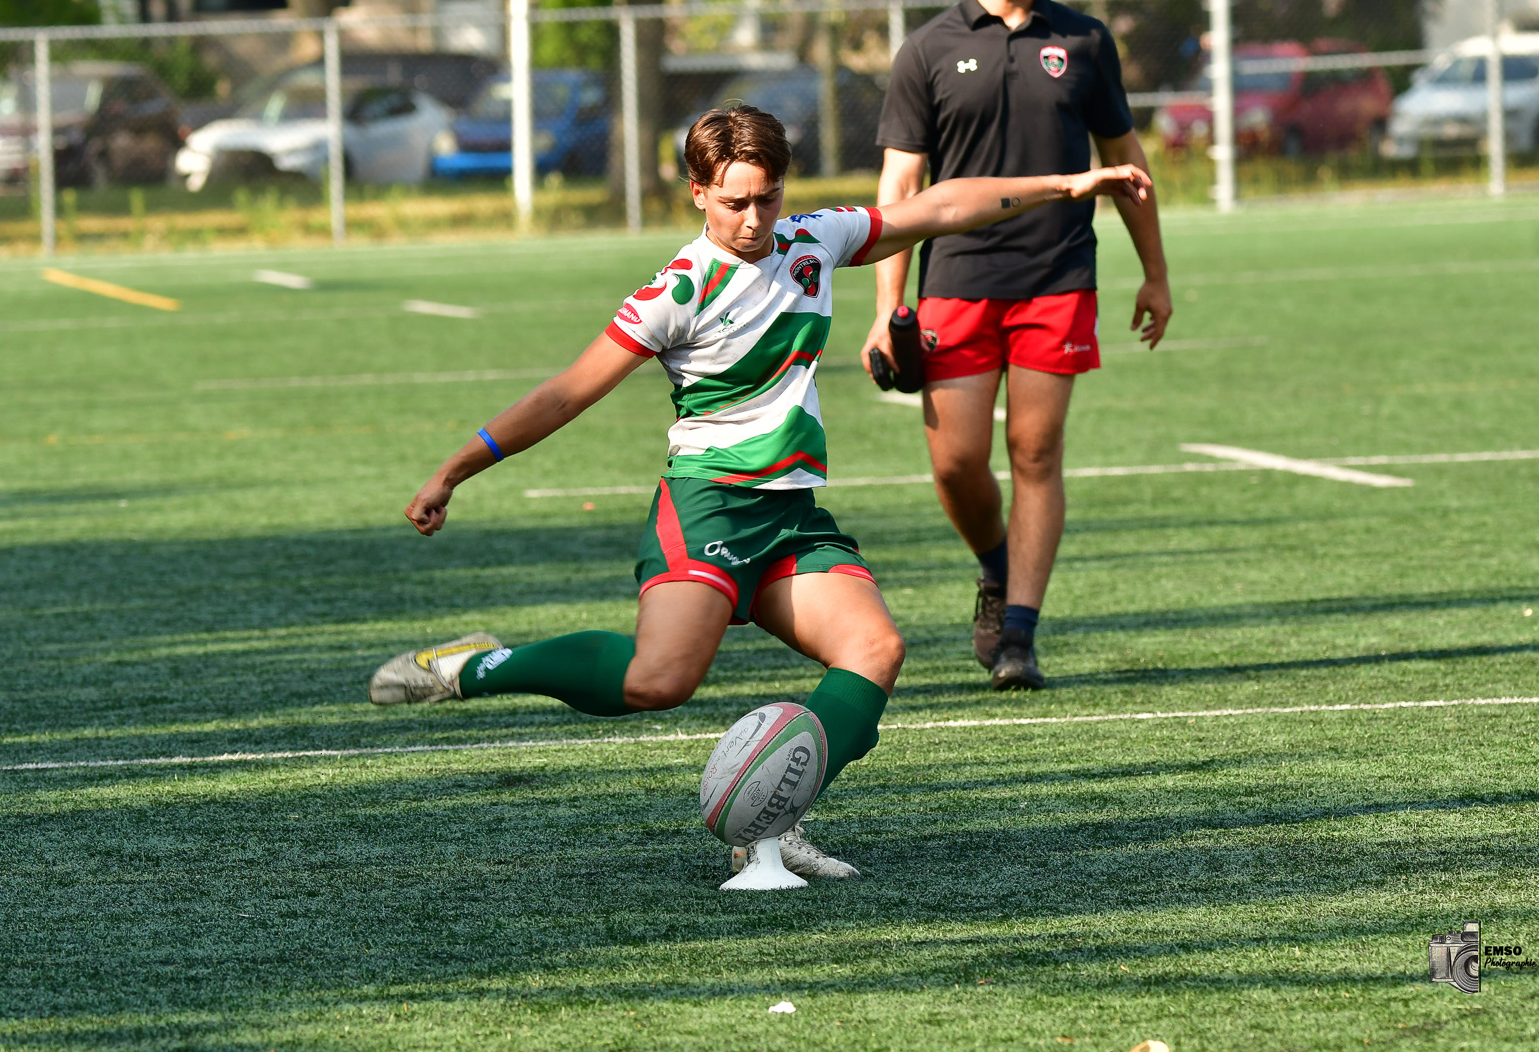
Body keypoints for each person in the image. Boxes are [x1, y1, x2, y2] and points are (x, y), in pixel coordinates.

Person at [370, 104, 1150, 877]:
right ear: (698, 191)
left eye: (767, 198)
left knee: (875, 651)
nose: (753, 219)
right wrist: (454, 470)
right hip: (708, 504)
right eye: (735, 201)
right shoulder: (680, 289)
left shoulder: (813, 239)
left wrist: (1068, 184)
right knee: (658, 681)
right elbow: (567, 393)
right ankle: (477, 666)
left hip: (791, 517)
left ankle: (775, 820)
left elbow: (941, 206)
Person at [863, 0, 1174, 692]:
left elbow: (1128, 165)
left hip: (1059, 275)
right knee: (956, 465)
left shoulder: (1086, 40)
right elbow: (900, 189)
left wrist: (1155, 273)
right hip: (956, 279)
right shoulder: (927, 49)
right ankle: (998, 569)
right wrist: (884, 306)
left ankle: (1019, 638)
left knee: (1036, 451)